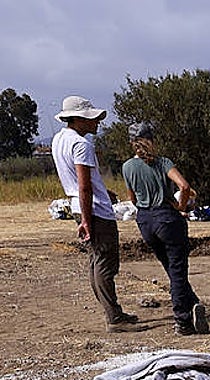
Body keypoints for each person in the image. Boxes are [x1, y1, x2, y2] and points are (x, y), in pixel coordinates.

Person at [51, 95, 139, 332]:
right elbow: (84, 185)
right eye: (92, 118)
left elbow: (80, 183)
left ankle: (114, 312)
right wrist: (88, 220)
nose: (97, 122)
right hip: (94, 211)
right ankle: (114, 317)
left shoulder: (59, 139)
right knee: (104, 263)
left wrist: (101, 193)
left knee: (95, 261)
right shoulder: (82, 145)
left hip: (82, 206)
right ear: (78, 119)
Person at [121, 122, 208, 336]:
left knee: (170, 268)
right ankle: (183, 320)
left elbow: (132, 199)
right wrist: (180, 206)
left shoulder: (127, 167)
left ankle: (192, 302)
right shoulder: (162, 163)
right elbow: (185, 187)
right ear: (152, 140)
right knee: (178, 270)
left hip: (145, 221)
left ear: (132, 144)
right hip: (166, 218)